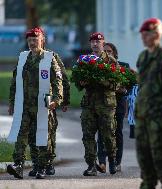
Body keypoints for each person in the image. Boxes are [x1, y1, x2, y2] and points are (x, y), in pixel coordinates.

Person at [7, 27, 63, 179]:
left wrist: (58, 99)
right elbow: (15, 81)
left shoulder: (49, 58)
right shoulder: (23, 58)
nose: (32, 42)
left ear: (42, 40)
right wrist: (12, 103)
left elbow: (57, 80)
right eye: (30, 40)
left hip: (43, 104)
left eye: (35, 39)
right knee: (22, 135)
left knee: (42, 134)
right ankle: (18, 165)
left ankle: (42, 166)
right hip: (24, 104)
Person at [135, 18, 162, 189]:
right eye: (142, 34)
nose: (143, 38)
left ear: (157, 34)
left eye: (147, 34)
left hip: (160, 120)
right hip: (143, 119)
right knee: (145, 164)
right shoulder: (143, 57)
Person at [74, 32, 118, 176]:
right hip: (89, 104)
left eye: (98, 42)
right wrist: (81, 82)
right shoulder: (84, 60)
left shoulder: (111, 61)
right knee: (87, 135)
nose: (95, 44)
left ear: (103, 43)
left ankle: (112, 159)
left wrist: (100, 80)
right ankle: (91, 165)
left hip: (106, 104)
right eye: (92, 42)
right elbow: (78, 83)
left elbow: (116, 84)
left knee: (108, 135)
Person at [97, 42, 130, 173]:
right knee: (101, 132)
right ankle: (102, 162)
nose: (107, 53)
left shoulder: (123, 66)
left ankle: (117, 162)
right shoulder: (97, 66)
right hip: (103, 104)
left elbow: (129, 85)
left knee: (117, 133)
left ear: (115, 53)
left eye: (109, 51)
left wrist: (122, 89)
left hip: (118, 104)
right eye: (105, 51)